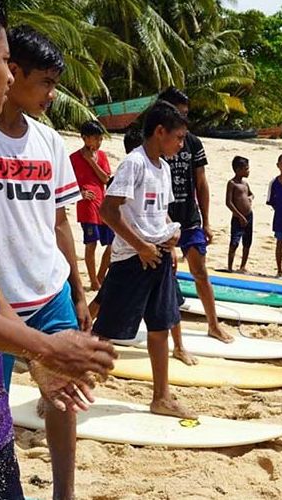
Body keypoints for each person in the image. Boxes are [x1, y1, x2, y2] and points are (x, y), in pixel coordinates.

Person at [0, 4, 115, 497]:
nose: (12, 79)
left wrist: (47, 338)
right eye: (5, 60)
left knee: (57, 404)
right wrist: (40, 345)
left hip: (20, 316)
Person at [0, 25, 92, 499]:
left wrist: (77, 290)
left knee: (63, 397)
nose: (53, 96)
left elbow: (60, 223)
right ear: (13, 73)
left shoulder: (49, 142)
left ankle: (64, 492)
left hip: (49, 288)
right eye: (47, 83)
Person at [94, 100, 198, 419]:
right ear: (159, 131)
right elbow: (108, 210)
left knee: (160, 327)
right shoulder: (134, 163)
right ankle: (61, 382)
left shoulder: (163, 168)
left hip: (159, 257)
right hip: (133, 261)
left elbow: (159, 211)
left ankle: (161, 397)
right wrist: (140, 246)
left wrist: (170, 234)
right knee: (103, 331)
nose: (181, 145)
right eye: (178, 138)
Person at [125, 87, 233, 344]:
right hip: (156, 222)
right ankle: (177, 341)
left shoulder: (191, 142)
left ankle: (213, 325)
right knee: (165, 279)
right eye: (178, 113)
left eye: (185, 114)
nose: (182, 118)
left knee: (200, 271)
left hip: (188, 217)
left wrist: (206, 221)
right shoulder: (150, 145)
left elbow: (201, 182)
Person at [71, 119, 113, 291]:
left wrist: (91, 161)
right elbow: (66, 181)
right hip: (86, 206)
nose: (98, 142)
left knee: (112, 244)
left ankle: (100, 276)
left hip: (103, 205)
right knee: (91, 243)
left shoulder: (101, 156)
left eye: (100, 139)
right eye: (95, 139)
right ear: (85, 138)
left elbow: (106, 179)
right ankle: (93, 281)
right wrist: (79, 193)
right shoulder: (73, 158)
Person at [226, 155, 254, 272]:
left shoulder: (245, 184)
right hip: (238, 217)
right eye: (246, 169)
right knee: (234, 242)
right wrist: (239, 216)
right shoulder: (232, 184)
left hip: (249, 215)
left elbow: (251, 194)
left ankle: (243, 266)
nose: (248, 171)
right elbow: (228, 202)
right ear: (238, 170)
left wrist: (250, 198)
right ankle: (230, 267)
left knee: (247, 242)